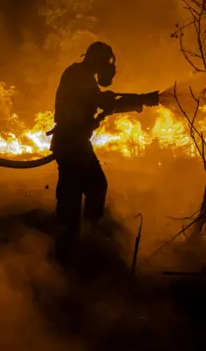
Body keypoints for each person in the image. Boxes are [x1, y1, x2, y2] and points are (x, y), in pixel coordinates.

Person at [48, 41, 159, 261]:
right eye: (107, 61)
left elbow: (102, 102)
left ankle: (69, 246)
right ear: (96, 59)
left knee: (74, 192)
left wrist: (136, 101)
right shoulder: (78, 75)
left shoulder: (81, 75)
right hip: (72, 143)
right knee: (94, 185)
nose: (110, 67)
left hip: (72, 143)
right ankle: (84, 242)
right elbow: (101, 102)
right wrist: (137, 100)